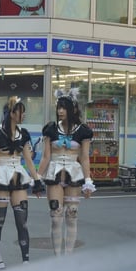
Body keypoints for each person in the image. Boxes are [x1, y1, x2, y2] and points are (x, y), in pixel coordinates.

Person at [0, 96, 44, 270]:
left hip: (18, 175)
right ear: (12, 113)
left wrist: (37, 180)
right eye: (21, 111)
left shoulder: (23, 134)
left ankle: (26, 261)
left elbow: (28, 160)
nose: (23, 115)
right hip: (0, 177)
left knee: (22, 221)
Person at [39, 95, 94, 255]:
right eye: (58, 108)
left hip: (74, 176)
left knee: (71, 216)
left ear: (73, 110)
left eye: (64, 108)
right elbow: (46, 157)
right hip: (54, 174)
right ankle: (58, 258)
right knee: (56, 218)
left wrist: (88, 181)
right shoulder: (50, 128)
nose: (60, 111)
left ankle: (68, 258)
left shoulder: (83, 131)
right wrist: (36, 176)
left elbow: (84, 157)